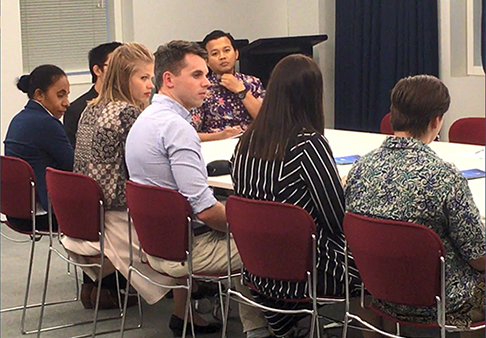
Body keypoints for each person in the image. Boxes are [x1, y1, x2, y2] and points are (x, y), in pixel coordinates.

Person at [125, 40, 270, 338]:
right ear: (168, 80)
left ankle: (256, 327)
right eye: (197, 76)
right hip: (186, 249)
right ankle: (268, 329)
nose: (207, 83)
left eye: (205, 75)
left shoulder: (146, 119)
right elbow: (206, 212)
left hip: (157, 242)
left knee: (244, 227)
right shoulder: (178, 129)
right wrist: (254, 224)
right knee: (271, 243)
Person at [231, 54, 363, 338]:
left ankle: (284, 323)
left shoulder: (246, 141)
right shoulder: (308, 144)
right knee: (377, 264)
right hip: (303, 271)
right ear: (312, 95)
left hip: (259, 269)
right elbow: (335, 219)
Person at [344, 75, 485, 336]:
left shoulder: (360, 169)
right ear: (436, 121)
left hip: (378, 293)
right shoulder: (445, 176)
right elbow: (479, 259)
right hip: (440, 302)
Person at [60, 42, 170, 310]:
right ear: (123, 77)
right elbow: (150, 170)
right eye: (143, 78)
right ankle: (190, 299)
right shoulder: (128, 112)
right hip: (117, 217)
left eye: (151, 78)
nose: (151, 85)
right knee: (186, 214)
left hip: (85, 217)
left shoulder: (91, 107)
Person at [4, 64, 73, 231]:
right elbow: (73, 165)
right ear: (39, 95)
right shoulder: (47, 123)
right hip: (43, 214)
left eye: (67, 95)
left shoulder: (18, 119)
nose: (67, 103)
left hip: (14, 211)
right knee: (108, 215)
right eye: (60, 95)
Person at [191, 30, 265, 141]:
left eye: (226, 50)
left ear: (236, 54)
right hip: (217, 148)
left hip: (252, 145)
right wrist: (220, 136)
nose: (222, 57)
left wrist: (241, 91)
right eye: (215, 53)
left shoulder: (253, 82)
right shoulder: (202, 87)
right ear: (206, 61)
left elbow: (266, 121)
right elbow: (189, 134)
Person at [64, 41, 122, 147]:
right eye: (114, 66)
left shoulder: (132, 103)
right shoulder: (77, 109)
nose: (120, 72)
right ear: (98, 70)